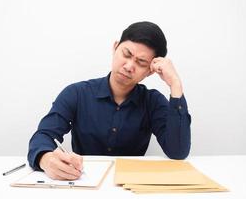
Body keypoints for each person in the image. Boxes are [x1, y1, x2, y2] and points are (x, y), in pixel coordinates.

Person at [28, 21, 191, 180]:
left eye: (141, 62)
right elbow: (44, 135)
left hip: (130, 186)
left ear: (150, 71)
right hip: (83, 182)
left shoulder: (152, 101)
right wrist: (46, 159)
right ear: (115, 48)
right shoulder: (76, 93)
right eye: (126, 54)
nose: (129, 66)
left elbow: (177, 151)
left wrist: (175, 84)